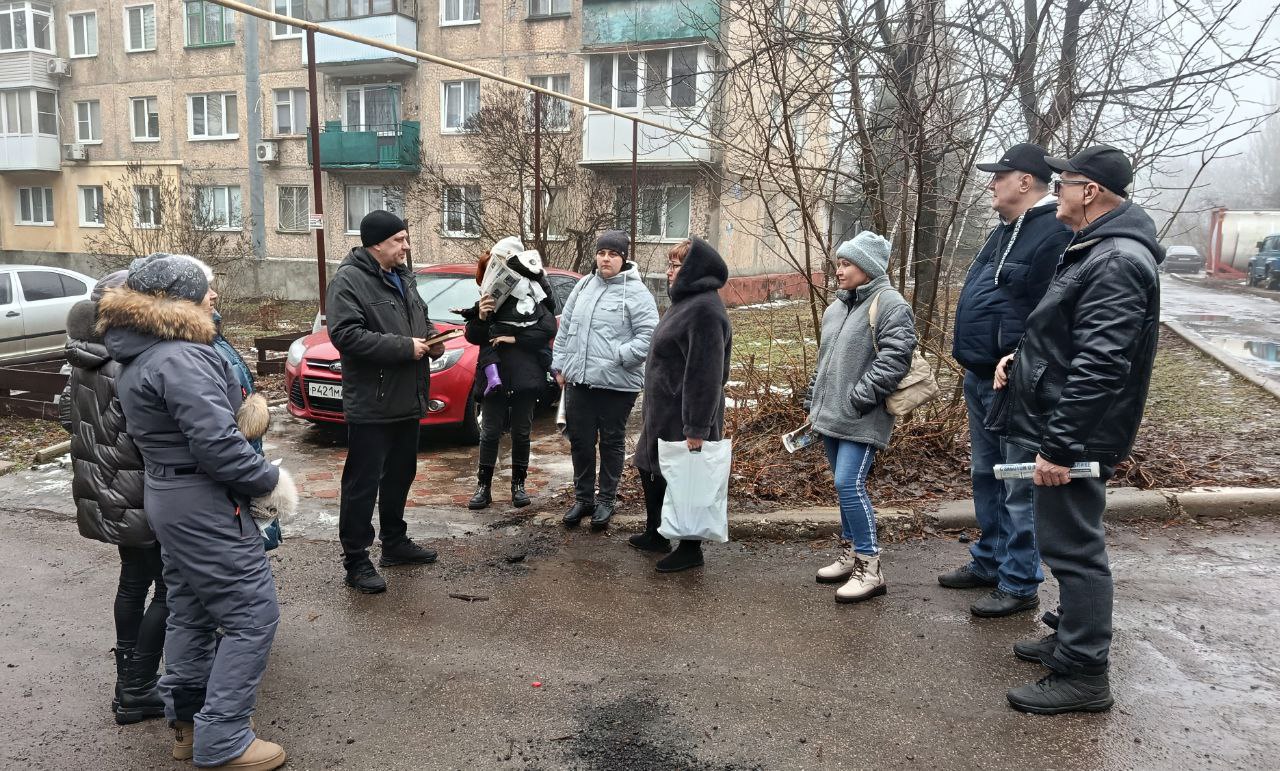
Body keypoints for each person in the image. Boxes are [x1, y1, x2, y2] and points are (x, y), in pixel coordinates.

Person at [99, 254, 296, 770]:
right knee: (253, 616)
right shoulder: (181, 357)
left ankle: (187, 726)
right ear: (176, 301)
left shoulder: (143, 352)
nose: (214, 298)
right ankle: (225, 738)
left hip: (171, 496)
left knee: (191, 612)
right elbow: (217, 444)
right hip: (204, 502)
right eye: (205, 290)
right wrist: (270, 482)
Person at [991, 145, 1164, 714]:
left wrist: (1060, 447)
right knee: (1063, 541)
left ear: (1089, 192)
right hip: (1067, 422)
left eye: (1063, 183)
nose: (1055, 191)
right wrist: (1023, 358)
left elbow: (1101, 365)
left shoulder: (1113, 259)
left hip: (1078, 433)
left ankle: (1085, 673)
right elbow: (1069, 339)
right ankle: (1068, 637)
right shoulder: (1096, 249)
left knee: (1075, 552)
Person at [939, 143, 1073, 618]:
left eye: (1000, 175)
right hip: (979, 376)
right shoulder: (1004, 231)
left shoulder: (1050, 234)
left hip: (1016, 381)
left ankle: (1019, 581)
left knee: (1018, 482)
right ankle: (990, 560)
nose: (991, 183)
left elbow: (1052, 314)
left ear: (1025, 181)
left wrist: (1018, 358)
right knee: (986, 474)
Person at [64, 270, 166, 726]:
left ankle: (127, 682)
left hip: (106, 489)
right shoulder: (131, 362)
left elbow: (70, 419)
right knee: (171, 589)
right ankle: (138, 688)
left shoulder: (82, 357)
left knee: (132, 582)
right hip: (144, 491)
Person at [326, 210, 445, 594]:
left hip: (407, 398)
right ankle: (356, 560)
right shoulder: (349, 280)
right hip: (372, 403)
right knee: (362, 484)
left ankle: (394, 543)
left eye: (406, 239)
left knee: (400, 475)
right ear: (377, 243)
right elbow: (345, 335)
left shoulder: (404, 277)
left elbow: (419, 319)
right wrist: (404, 348)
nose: (406, 247)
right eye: (399, 240)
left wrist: (431, 339)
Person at [807, 232, 917, 602]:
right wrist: (814, 400)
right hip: (831, 415)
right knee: (843, 488)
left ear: (867, 267)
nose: (839, 270)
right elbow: (824, 363)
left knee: (848, 484)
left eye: (846, 263)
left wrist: (860, 398)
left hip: (862, 415)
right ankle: (851, 552)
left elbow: (895, 358)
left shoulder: (890, 303)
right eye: (838, 263)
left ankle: (871, 567)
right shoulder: (836, 307)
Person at [628, 237, 732, 573]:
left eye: (676, 266)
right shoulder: (685, 303)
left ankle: (690, 549)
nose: (669, 272)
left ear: (693, 270)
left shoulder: (704, 310)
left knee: (688, 479)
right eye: (670, 264)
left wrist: (697, 428)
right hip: (664, 409)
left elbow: (705, 373)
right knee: (649, 465)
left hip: (686, 412)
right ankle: (656, 532)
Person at [552, 229, 659, 530]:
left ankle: (606, 500)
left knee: (611, 443)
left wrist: (619, 355)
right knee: (581, 442)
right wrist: (559, 366)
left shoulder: (637, 293)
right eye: (601, 253)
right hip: (580, 382)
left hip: (616, 385)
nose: (605, 259)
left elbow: (650, 337)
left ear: (623, 258)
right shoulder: (584, 285)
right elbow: (566, 329)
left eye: (612, 254)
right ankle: (583, 498)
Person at [462, 242, 558, 511]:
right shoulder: (491, 296)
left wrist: (513, 337)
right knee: (489, 432)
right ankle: (483, 487)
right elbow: (473, 335)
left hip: (525, 376)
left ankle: (519, 486)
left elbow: (546, 329)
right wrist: (481, 317)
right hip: (495, 377)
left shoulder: (533, 297)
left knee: (521, 433)